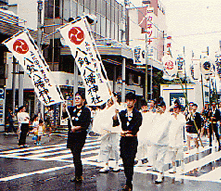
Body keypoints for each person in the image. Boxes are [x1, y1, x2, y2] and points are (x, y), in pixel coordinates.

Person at [113, 92, 142, 191]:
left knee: (130, 161)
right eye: (127, 100)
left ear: (134, 101)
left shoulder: (138, 114)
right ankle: (128, 179)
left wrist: (126, 132)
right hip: (124, 141)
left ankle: (128, 182)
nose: (129, 103)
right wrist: (115, 116)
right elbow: (116, 123)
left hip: (132, 140)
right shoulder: (122, 113)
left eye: (131, 100)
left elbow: (136, 127)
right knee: (125, 161)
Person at [62, 92, 91, 183]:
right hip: (72, 135)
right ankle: (77, 175)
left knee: (76, 153)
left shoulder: (86, 110)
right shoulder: (72, 109)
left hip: (80, 135)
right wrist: (64, 108)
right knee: (75, 155)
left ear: (83, 100)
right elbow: (64, 115)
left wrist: (77, 128)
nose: (77, 100)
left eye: (79, 98)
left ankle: (79, 175)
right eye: (76, 98)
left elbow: (85, 124)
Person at [93, 98, 121, 173]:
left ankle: (117, 163)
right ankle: (106, 164)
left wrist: (116, 113)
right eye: (108, 101)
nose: (109, 103)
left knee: (115, 148)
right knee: (104, 149)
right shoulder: (104, 110)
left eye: (111, 102)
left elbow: (117, 121)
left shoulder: (117, 108)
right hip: (105, 133)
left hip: (114, 132)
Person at [148, 100, 172, 184]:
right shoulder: (156, 116)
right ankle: (160, 171)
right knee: (153, 157)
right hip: (155, 142)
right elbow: (151, 126)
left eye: (160, 107)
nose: (158, 109)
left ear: (164, 107)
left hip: (163, 142)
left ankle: (159, 175)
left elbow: (164, 130)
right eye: (157, 107)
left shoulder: (168, 117)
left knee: (160, 159)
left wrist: (158, 138)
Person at [168, 102, 186, 181]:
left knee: (180, 153)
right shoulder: (170, 116)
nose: (175, 110)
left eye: (177, 109)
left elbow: (183, 124)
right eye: (174, 109)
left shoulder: (182, 116)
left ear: (179, 109)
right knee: (172, 154)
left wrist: (177, 117)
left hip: (179, 137)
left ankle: (182, 165)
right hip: (171, 137)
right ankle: (173, 167)